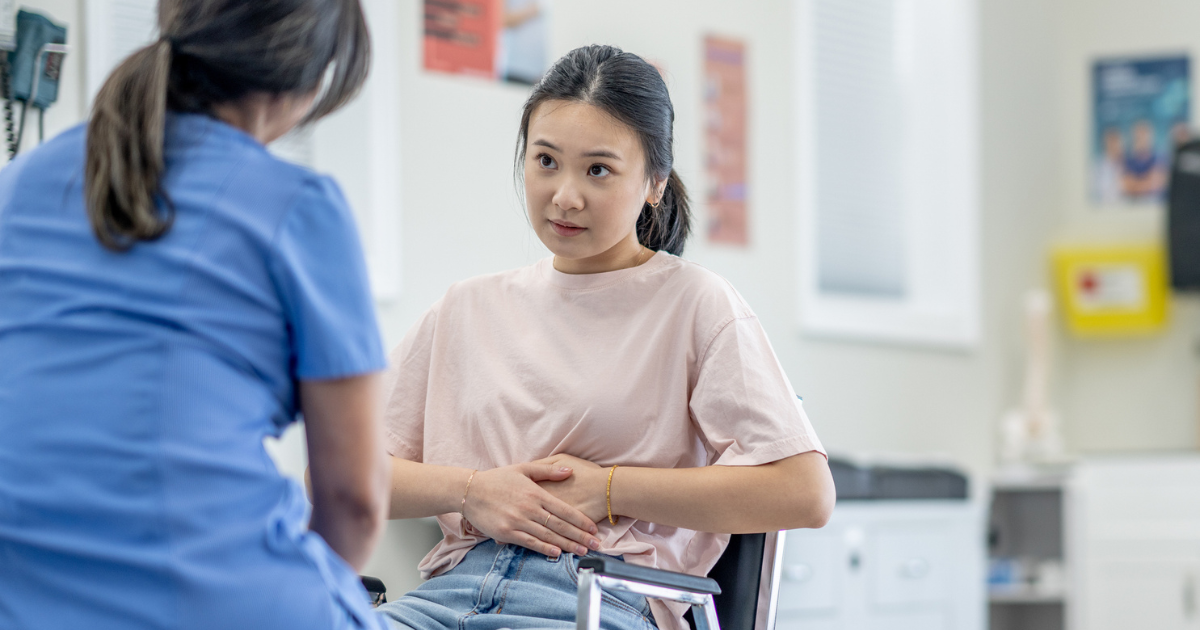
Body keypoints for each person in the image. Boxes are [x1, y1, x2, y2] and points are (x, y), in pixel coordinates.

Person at [375, 45, 835, 630]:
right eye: (546, 161)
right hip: (448, 594)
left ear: (655, 183)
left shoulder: (696, 304)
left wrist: (611, 489)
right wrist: (472, 492)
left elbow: (804, 491)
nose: (565, 195)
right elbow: (339, 477)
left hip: (599, 599)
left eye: (598, 169)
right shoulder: (465, 307)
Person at [0, 1, 391, 629]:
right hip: (215, 599)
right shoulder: (299, 207)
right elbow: (354, 502)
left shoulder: (15, 186)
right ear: (312, 76)